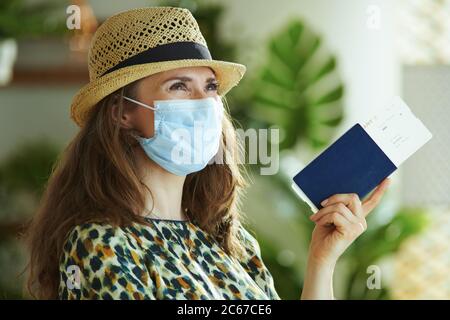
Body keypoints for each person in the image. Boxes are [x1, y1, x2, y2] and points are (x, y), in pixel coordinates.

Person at [25, 6, 389, 300]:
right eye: (179, 86)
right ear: (123, 112)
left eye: (210, 86)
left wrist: (321, 262)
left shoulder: (232, 242)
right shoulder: (102, 243)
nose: (205, 103)